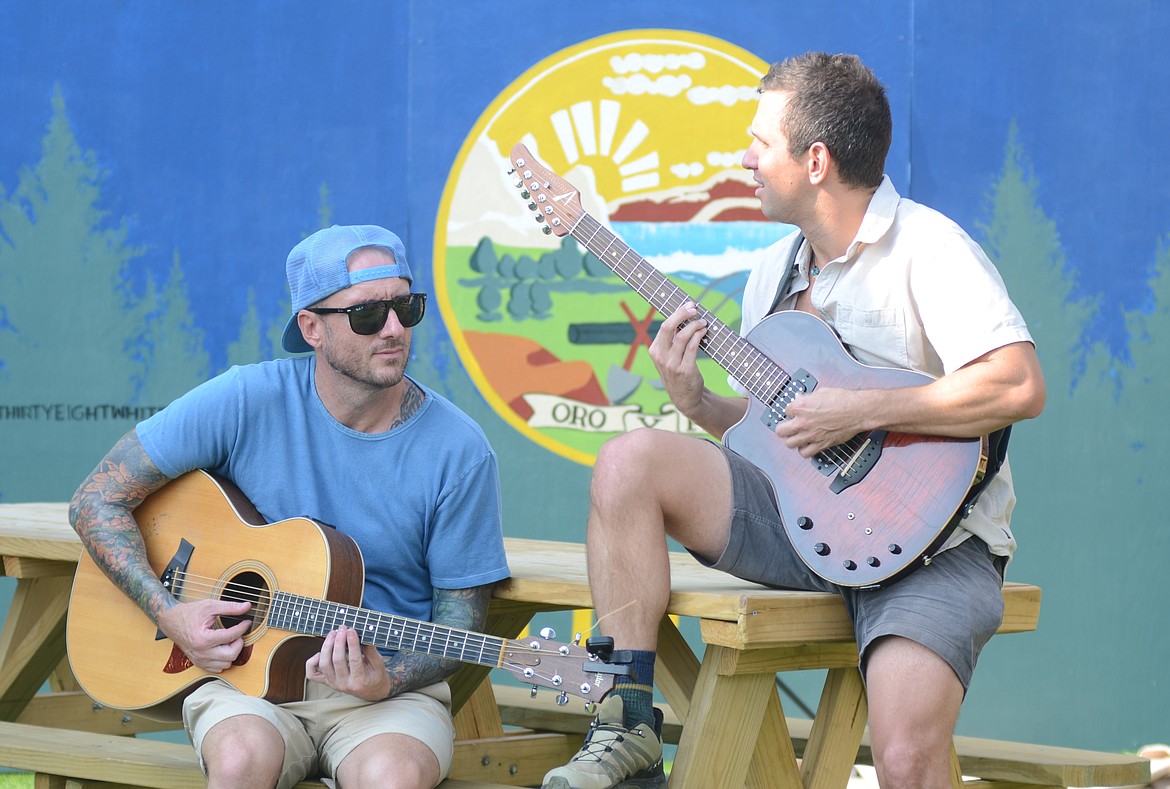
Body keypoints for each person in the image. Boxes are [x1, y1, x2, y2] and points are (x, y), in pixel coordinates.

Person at [541, 52, 1046, 789]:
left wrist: (863, 407)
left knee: (903, 760)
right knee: (629, 462)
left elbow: (1019, 384)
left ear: (815, 160)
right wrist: (702, 405)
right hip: (803, 523)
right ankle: (624, 721)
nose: (744, 156)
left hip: (936, 548)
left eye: (759, 142)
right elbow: (785, 442)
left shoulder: (930, 250)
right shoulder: (772, 272)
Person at [69, 224, 510, 789]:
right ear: (312, 328)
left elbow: (462, 624)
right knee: (241, 762)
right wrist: (167, 612)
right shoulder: (245, 399)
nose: (395, 329)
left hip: (386, 698)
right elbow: (96, 498)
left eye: (407, 307)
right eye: (369, 315)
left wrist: (385, 679)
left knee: (391, 779)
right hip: (244, 682)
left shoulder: (461, 450)